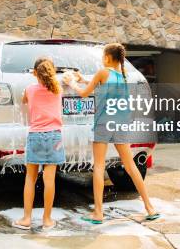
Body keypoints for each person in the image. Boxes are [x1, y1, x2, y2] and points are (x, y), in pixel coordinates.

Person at [64, 43, 160, 223]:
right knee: (130, 166)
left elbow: (85, 93)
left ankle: (98, 213)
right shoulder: (123, 75)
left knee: (99, 166)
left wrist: (72, 83)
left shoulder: (102, 72)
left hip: (103, 124)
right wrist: (83, 78)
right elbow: (100, 83)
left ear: (107, 57)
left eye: (103, 56)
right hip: (121, 124)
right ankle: (149, 207)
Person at [13, 57, 65, 231]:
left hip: (35, 136)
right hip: (54, 137)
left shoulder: (29, 90)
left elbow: (23, 101)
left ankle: (27, 219)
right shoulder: (58, 90)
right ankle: (47, 220)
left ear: (35, 73)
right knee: (49, 180)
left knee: (30, 178)